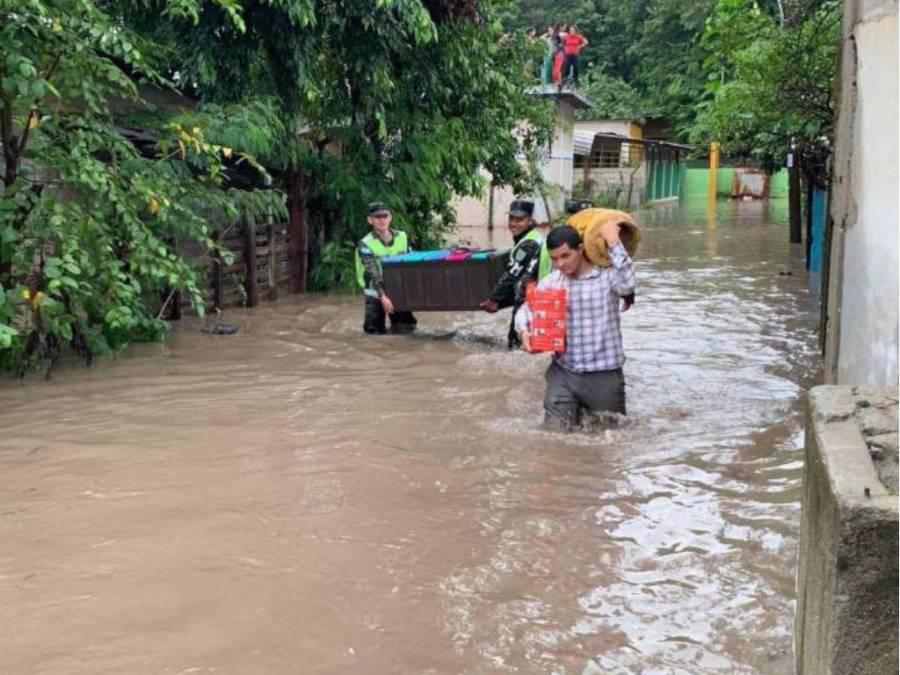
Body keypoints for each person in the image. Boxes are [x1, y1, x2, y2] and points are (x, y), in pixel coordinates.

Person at [515, 224, 636, 429]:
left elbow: (628, 284)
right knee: (554, 434)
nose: (560, 264)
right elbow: (526, 310)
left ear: (580, 249)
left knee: (609, 439)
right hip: (563, 372)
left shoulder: (607, 278)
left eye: (565, 256)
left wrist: (614, 242)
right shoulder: (552, 283)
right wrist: (524, 330)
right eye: (554, 259)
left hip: (603, 374)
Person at [479, 199, 543, 349]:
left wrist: (493, 299)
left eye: (519, 219)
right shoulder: (530, 238)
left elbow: (512, 274)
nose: (513, 223)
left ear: (530, 221)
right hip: (531, 298)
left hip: (527, 301)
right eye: (511, 218)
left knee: (515, 345)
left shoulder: (528, 244)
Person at [354, 202, 417, 335]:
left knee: (406, 329)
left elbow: (410, 263)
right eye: (377, 217)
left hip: (397, 289)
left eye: (385, 216)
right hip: (375, 292)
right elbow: (372, 272)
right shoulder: (365, 243)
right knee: (373, 334)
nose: (382, 220)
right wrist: (383, 296)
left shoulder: (402, 237)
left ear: (390, 217)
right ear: (370, 220)